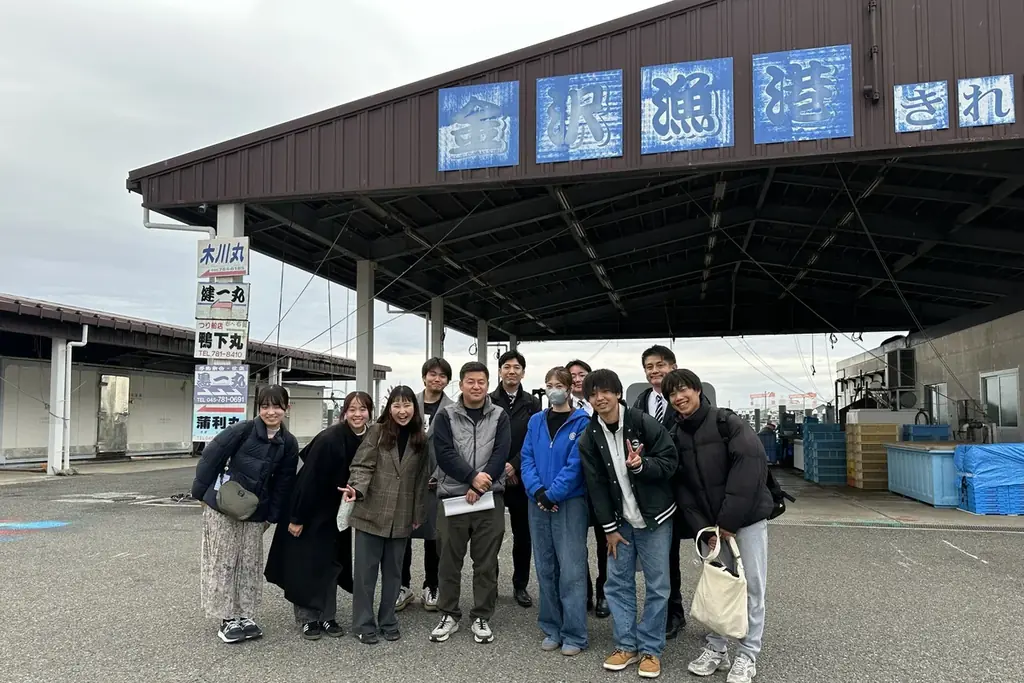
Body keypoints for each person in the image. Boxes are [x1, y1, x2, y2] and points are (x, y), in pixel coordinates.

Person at [662, 369, 772, 683]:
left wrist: (728, 522)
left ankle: (748, 654)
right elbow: (683, 488)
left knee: (751, 587)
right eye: (672, 394)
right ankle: (717, 647)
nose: (679, 398)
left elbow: (750, 468)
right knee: (719, 587)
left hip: (745, 521)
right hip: (711, 529)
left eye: (683, 390)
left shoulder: (727, 422)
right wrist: (704, 529)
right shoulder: (678, 434)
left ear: (697, 390)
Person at [578, 369, 679, 679]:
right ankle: (626, 645)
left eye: (606, 391)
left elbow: (670, 460)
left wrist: (641, 465)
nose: (600, 397)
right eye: (593, 393)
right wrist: (608, 527)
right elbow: (595, 485)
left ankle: (651, 649)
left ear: (618, 393)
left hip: (654, 518)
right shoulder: (589, 435)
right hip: (619, 523)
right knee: (617, 583)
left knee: (657, 585)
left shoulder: (641, 422)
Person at [191, 384, 299, 644]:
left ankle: (246, 615)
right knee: (224, 561)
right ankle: (226, 618)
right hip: (222, 506)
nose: (271, 412)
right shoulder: (242, 430)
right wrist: (199, 495)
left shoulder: (289, 442)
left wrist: (272, 516)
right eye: (265, 406)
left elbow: (284, 483)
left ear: (287, 408)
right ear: (258, 408)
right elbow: (211, 457)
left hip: (255, 510)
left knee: (249, 563)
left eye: (277, 406)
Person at [264, 391, 372, 640]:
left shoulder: (369, 437)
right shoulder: (330, 438)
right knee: (306, 564)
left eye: (363, 409)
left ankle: (327, 616)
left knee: (332, 563)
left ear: (370, 412)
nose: (357, 414)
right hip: (310, 508)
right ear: (344, 412)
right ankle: (307, 618)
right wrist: (297, 517)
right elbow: (308, 479)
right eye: (352, 409)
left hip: (337, 512)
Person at [341, 386, 431, 644]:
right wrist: (356, 490)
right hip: (371, 511)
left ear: (414, 408)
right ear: (388, 408)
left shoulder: (420, 439)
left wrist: (417, 513)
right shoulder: (377, 432)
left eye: (407, 405)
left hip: (402, 516)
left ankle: (388, 620)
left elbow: (421, 479)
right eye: (396, 405)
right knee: (366, 574)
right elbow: (361, 465)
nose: (402, 411)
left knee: (393, 575)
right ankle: (362, 623)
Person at [429, 361, 511, 645]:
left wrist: (482, 482)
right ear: (461, 384)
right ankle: (449, 613)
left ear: (487, 385)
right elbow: (444, 453)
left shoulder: (499, 415)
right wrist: (471, 478)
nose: (476, 387)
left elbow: (502, 452)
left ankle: (481, 615)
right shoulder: (445, 415)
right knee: (449, 561)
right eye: (470, 381)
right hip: (453, 497)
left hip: (490, 498)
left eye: (481, 382)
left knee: (486, 561)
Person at [520, 366, 591, 656]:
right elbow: (526, 458)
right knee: (545, 566)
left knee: (572, 569)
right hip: (537, 502)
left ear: (569, 387)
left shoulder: (582, 421)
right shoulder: (536, 421)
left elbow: (577, 466)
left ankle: (575, 632)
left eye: (558, 384)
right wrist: (537, 491)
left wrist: (553, 494)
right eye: (548, 384)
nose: (553, 389)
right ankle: (551, 626)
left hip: (569, 503)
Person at [631, 344, 687, 639]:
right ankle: (666, 611)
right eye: (650, 366)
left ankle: (675, 611)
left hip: (679, 489)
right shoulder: (640, 402)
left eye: (661, 365)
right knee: (661, 556)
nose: (656, 371)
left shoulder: (683, 400)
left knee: (673, 553)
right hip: (649, 490)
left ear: (674, 367)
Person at [397, 357, 452, 613]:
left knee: (435, 535)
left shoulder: (453, 408)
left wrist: (440, 473)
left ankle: (432, 585)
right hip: (406, 481)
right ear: (424, 377)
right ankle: (402, 585)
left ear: (447, 381)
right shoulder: (408, 404)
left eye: (442, 375)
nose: (436, 379)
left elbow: (455, 447)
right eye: (432, 374)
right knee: (402, 533)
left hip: (436, 482)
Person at [490, 349, 541, 608]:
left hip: (523, 479)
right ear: (500, 371)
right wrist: (501, 468)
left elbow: (534, 439)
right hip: (493, 478)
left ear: (523, 372)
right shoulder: (488, 400)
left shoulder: (533, 404)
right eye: (507, 367)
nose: (512, 371)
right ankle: (491, 585)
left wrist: (515, 466)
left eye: (516, 367)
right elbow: (485, 441)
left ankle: (520, 585)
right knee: (492, 534)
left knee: (523, 535)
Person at [567, 358, 607, 619]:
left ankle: (605, 592)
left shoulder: (602, 405)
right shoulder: (560, 408)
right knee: (575, 544)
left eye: (582, 374)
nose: (577, 379)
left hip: (602, 487)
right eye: (572, 376)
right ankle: (584, 593)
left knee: (606, 543)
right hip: (574, 488)